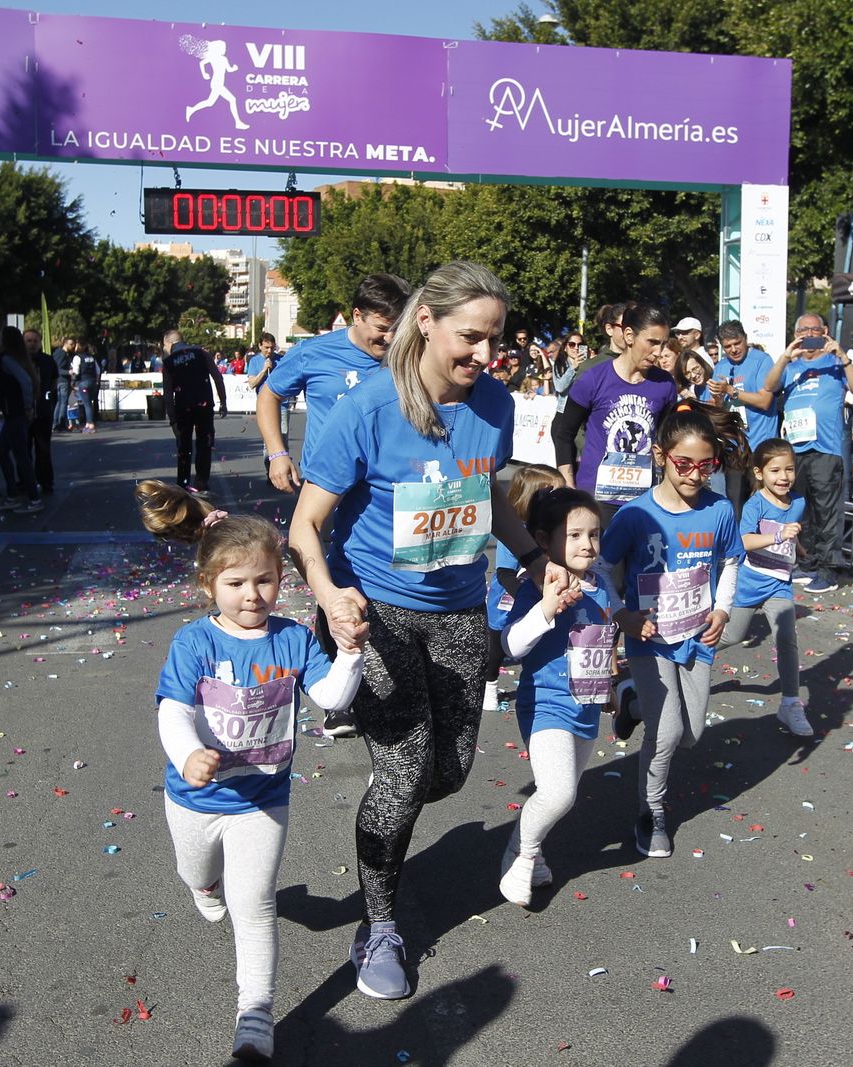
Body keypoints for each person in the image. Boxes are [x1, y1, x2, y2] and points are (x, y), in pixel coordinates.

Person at [285, 261, 559, 1001]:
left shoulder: (494, 402)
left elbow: (488, 493)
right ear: (427, 321)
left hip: (460, 611)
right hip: (377, 612)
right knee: (405, 770)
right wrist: (328, 591)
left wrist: (535, 557)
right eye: (472, 337)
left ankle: (393, 809)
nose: (485, 355)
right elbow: (305, 526)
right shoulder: (367, 407)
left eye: (495, 339)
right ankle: (378, 925)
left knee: (449, 771)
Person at [140, 480, 365, 1061]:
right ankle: (204, 885)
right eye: (235, 584)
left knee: (255, 905)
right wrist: (187, 753)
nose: (251, 595)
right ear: (207, 585)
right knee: (198, 876)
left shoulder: (291, 639)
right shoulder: (194, 641)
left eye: (263, 581)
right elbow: (173, 710)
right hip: (193, 801)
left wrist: (351, 653)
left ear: (280, 581)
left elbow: (333, 699)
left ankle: (255, 1016)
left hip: (262, 801)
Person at [600, 401, 745, 859]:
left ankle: (632, 701)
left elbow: (731, 560)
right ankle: (652, 813)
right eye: (684, 464)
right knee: (664, 736)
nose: (694, 475)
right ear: (661, 457)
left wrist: (722, 610)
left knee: (692, 733)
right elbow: (601, 568)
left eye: (706, 466)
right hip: (649, 639)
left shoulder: (720, 510)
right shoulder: (634, 515)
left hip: (697, 635)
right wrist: (624, 616)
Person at [498, 486, 616, 906]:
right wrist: (547, 608)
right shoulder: (536, 589)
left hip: (588, 708)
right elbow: (511, 645)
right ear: (544, 541)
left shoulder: (601, 585)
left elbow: (604, 641)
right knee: (559, 792)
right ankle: (520, 855)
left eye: (594, 534)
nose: (587, 544)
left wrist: (611, 687)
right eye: (575, 535)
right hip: (546, 703)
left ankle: (536, 853)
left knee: (560, 794)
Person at [259, 273, 412, 493]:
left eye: (396, 329)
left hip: (388, 485)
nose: (389, 338)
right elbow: (269, 395)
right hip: (325, 484)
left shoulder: (411, 356)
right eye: (381, 328)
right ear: (357, 316)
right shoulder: (312, 353)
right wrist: (277, 453)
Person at [761, 313, 853, 594]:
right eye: (802, 330)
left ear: (825, 331)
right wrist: (785, 356)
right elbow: (769, 386)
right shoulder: (791, 365)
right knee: (801, 509)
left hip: (825, 448)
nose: (809, 335)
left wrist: (841, 355)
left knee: (827, 511)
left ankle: (829, 571)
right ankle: (807, 563)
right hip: (796, 449)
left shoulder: (836, 362)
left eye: (814, 330)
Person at [722, 438, 812, 735]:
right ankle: (687, 656)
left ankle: (790, 704)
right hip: (750, 581)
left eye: (789, 469)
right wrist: (779, 537)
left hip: (779, 583)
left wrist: (797, 547)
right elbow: (744, 541)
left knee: (787, 637)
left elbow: (791, 531)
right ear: (759, 473)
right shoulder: (755, 504)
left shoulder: (798, 501)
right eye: (775, 471)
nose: (784, 477)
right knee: (730, 636)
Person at [550, 303, 678, 509]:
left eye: (663, 344)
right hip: (595, 498)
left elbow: (665, 438)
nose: (659, 352)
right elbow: (564, 434)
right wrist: (568, 485)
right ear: (629, 336)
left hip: (644, 499)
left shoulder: (665, 385)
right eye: (652, 342)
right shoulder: (592, 379)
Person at [483, 464, 565, 712]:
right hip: (507, 601)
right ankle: (489, 686)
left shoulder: (556, 533)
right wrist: (526, 595)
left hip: (541, 600)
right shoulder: (516, 531)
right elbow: (505, 573)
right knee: (495, 649)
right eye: (553, 495)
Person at [708, 319, 778, 510]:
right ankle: (738, 540)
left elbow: (765, 401)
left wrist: (731, 390)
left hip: (760, 444)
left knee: (761, 503)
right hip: (735, 447)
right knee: (735, 504)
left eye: (737, 343)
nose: (733, 350)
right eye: (727, 346)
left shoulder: (762, 360)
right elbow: (716, 409)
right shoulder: (721, 367)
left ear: (745, 339)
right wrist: (717, 397)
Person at [162, 329, 227, 495]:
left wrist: (172, 419)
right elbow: (217, 377)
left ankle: (182, 484)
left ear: (169, 343)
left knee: (184, 447)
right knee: (204, 443)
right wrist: (223, 401)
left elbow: (168, 394)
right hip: (204, 405)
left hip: (183, 408)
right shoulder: (201, 353)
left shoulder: (169, 362)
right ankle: (201, 481)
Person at [0, 326, 43, 514]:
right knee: (3, 452)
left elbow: (25, 382)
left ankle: (33, 498)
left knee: (19, 456)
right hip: (14, 413)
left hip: (15, 413)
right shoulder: (17, 359)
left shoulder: (7, 360)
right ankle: (14, 495)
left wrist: (27, 406)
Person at [245, 333, 287, 471]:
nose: (269, 351)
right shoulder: (255, 361)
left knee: (283, 438)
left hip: (282, 404)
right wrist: (264, 370)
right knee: (269, 441)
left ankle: (282, 469)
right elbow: (251, 383)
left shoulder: (282, 360)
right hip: (265, 406)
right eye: (266, 347)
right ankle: (270, 470)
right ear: (260, 346)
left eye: (272, 348)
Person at [26, 329, 58, 495]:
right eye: (28, 341)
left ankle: (46, 482)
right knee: (24, 450)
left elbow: (54, 382)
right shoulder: (18, 361)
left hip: (43, 412)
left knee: (43, 450)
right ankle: (25, 482)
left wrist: (50, 402)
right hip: (23, 413)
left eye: (35, 341)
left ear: (40, 342)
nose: (32, 344)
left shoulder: (47, 360)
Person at [73, 341, 103, 433]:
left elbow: (76, 372)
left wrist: (73, 380)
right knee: (89, 403)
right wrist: (97, 381)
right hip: (93, 382)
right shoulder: (92, 357)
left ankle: (90, 424)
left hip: (83, 382)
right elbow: (98, 370)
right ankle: (87, 423)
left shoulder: (77, 357)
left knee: (86, 404)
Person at [52, 336, 77, 432]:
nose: (72, 346)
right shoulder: (61, 354)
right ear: (65, 344)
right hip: (62, 381)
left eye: (73, 344)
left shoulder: (63, 354)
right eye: (71, 344)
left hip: (61, 381)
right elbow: (58, 369)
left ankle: (57, 423)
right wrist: (68, 372)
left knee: (60, 402)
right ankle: (60, 423)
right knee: (63, 402)